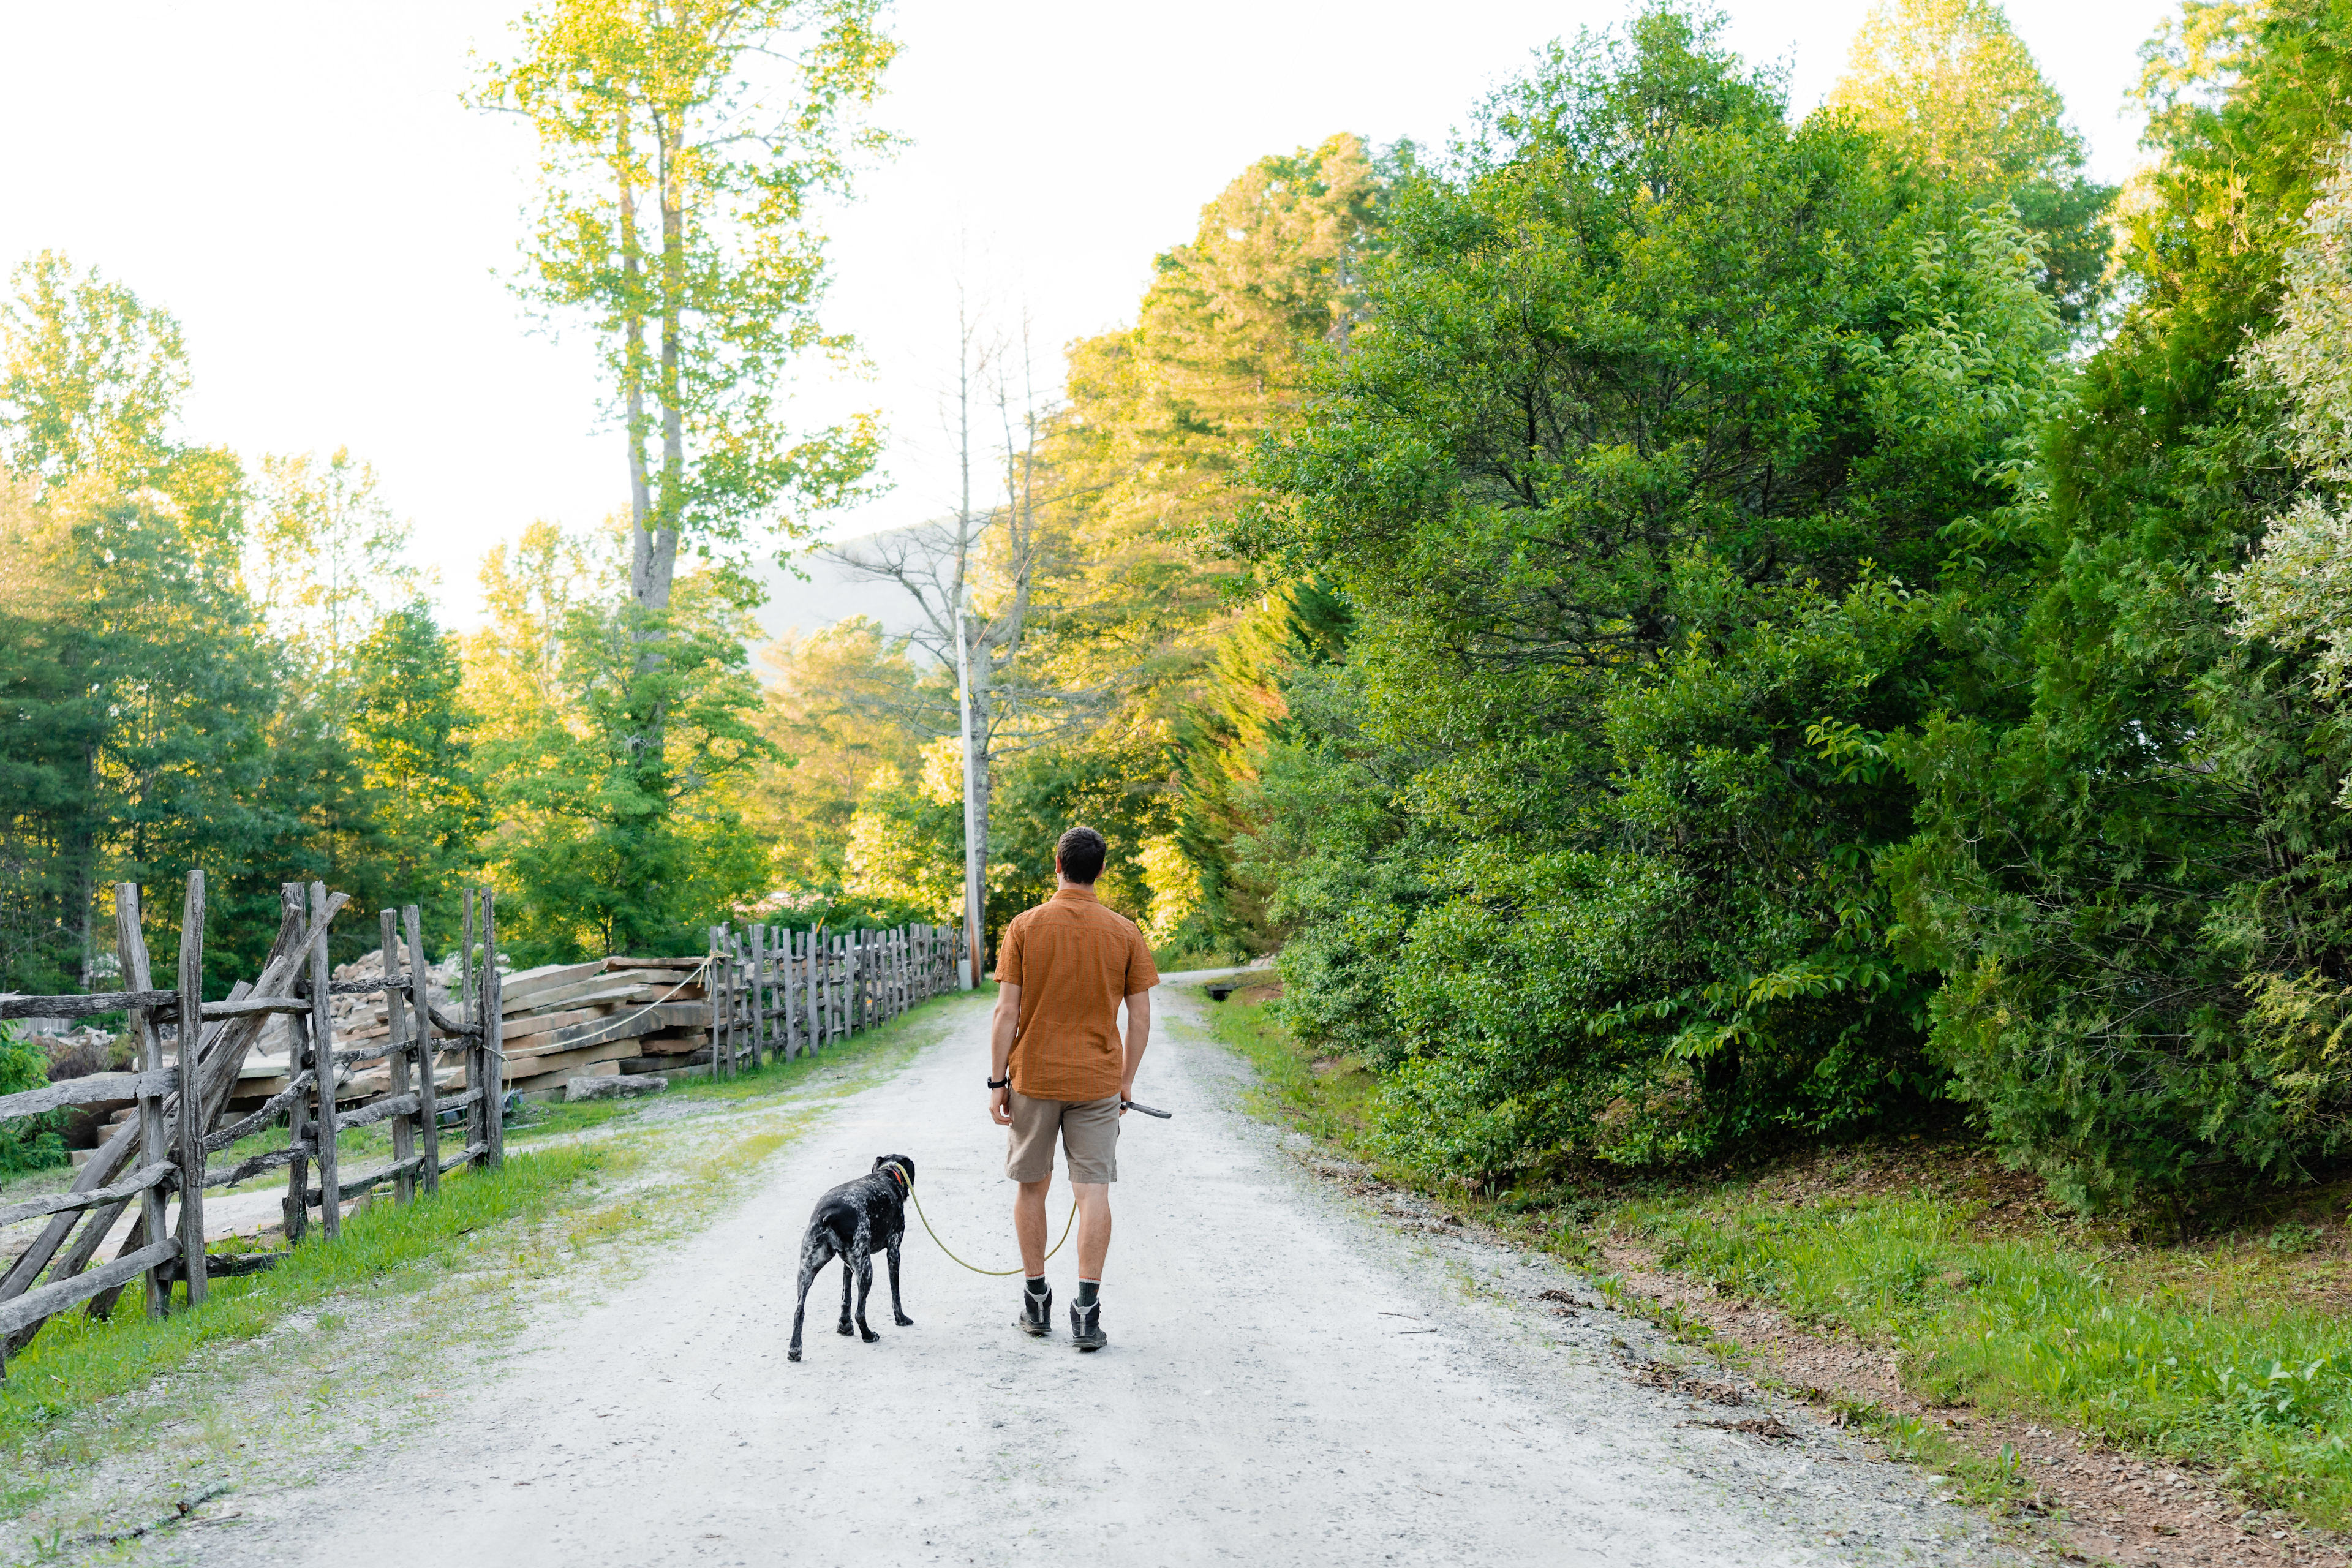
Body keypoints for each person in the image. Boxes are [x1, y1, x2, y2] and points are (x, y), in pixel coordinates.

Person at [986, 823, 1158, 1350]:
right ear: (1101, 870)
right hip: (1098, 1082)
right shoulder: (1125, 932)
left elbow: (1006, 1012)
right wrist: (1125, 1081)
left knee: (1031, 1187)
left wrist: (997, 1082)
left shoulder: (1024, 927)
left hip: (1034, 1078)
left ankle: (1036, 1302)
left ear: (1057, 865)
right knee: (1093, 1192)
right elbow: (1141, 1017)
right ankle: (1087, 1314)